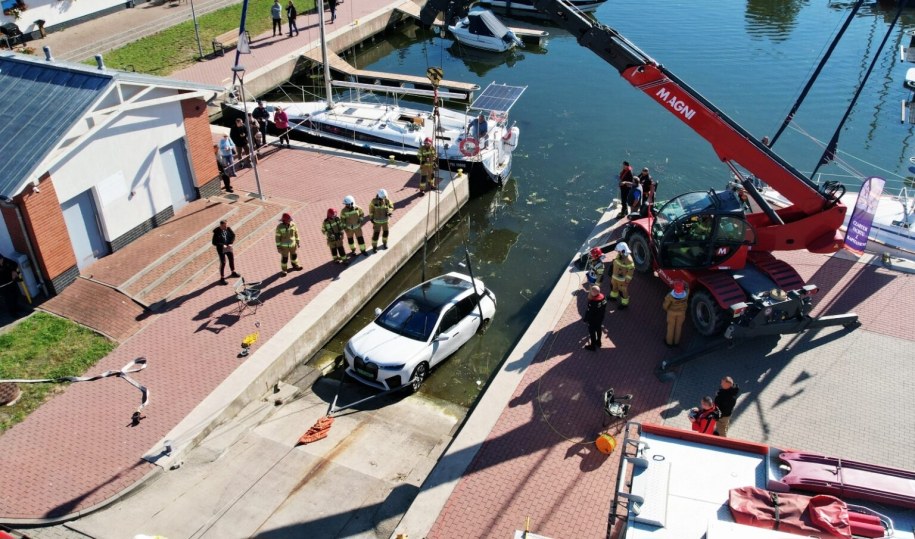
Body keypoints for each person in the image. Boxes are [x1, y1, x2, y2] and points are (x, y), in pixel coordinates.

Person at [212, 220, 241, 285]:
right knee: (223, 263)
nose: (226, 227)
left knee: (231, 259)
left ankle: (233, 272)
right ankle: (222, 278)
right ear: (221, 225)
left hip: (228, 247)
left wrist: (230, 243)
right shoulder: (216, 232)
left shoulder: (228, 228)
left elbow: (233, 235)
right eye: (224, 226)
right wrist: (222, 245)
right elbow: (214, 242)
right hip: (221, 249)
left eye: (226, 225)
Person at [662, 281, 688, 347]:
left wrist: (666, 308)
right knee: (678, 327)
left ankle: (669, 342)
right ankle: (676, 342)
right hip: (681, 313)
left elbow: (665, 306)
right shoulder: (686, 294)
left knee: (671, 327)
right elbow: (687, 288)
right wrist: (684, 284)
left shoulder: (670, 296)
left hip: (671, 313)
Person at [609, 242, 634, 308]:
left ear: (623, 251)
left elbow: (631, 271)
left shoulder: (629, 260)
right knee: (613, 286)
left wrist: (627, 280)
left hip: (622, 280)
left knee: (622, 291)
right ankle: (613, 297)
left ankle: (624, 304)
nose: (618, 252)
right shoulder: (620, 255)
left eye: (619, 251)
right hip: (615, 276)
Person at [583, 285, 607, 351]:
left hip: (593, 320)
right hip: (600, 317)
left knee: (592, 332)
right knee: (599, 329)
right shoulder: (603, 297)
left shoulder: (593, 302)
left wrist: (585, 319)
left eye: (591, 291)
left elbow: (589, 312)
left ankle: (592, 346)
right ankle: (598, 342)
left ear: (593, 293)